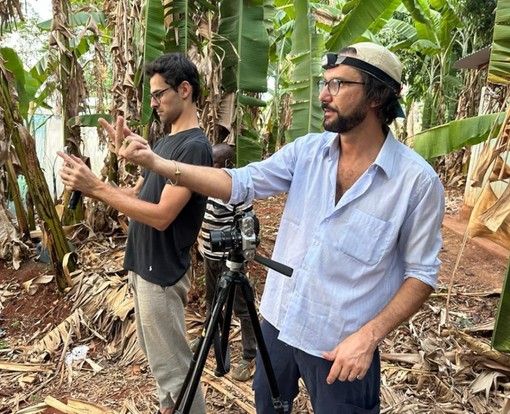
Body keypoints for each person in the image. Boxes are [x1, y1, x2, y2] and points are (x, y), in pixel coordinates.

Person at [107, 42, 445, 413]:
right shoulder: (307, 153)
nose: (323, 94)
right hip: (279, 324)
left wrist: (369, 337)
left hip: (341, 344)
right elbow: (240, 182)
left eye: (338, 85)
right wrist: (156, 162)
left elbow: (421, 275)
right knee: (268, 406)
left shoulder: (416, 183)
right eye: (324, 82)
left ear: (377, 97)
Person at [58, 53, 212, 414]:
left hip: (162, 272)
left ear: (185, 90)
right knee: (162, 367)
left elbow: (161, 216)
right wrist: (105, 178)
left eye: (159, 95)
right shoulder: (163, 143)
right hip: (144, 266)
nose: (154, 103)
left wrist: (95, 187)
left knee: (177, 372)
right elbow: (136, 197)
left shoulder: (194, 147)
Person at [192, 143, 257, 382]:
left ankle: (250, 355)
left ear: (228, 165)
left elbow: (246, 229)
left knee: (242, 308)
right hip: (209, 255)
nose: (210, 168)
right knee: (212, 302)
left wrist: (238, 258)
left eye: (215, 164)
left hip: (230, 261)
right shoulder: (208, 186)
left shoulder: (237, 193)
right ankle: (211, 341)